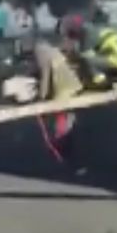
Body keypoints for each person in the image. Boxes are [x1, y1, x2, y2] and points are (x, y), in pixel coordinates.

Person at [31, 34, 86, 172]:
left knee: (61, 124)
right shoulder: (52, 51)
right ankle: (69, 153)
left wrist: (41, 98)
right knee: (68, 119)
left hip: (63, 89)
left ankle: (66, 155)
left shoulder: (40, 52)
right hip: (72, 86)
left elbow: (45, 74)